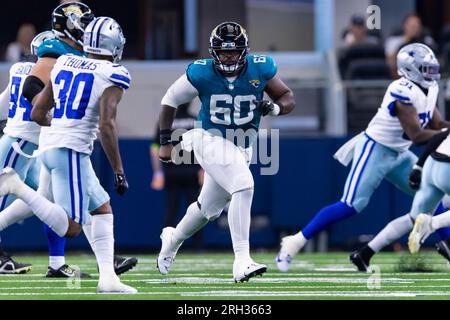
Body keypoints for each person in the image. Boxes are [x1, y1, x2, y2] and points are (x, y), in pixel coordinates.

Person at [276, 43, 450, 272]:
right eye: (425, 69)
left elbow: (437, 124)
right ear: (411, 69)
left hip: (398, 153)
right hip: (375, 150)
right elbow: (417, 135)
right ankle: (294, 242)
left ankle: (444, 247)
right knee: (351, 205)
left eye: (432, 69)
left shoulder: (431, 88)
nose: (432, 74)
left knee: (431, 198)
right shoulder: (402, 89)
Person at [0, 16, 137, 294]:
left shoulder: (63, 63)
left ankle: (108, 277)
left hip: (50, 144)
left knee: (101, 209)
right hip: (69, 149)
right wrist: (119, 170)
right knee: (72, 227)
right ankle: (17, 187)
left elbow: (38, 111)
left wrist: (60, 127)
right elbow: (107, 124)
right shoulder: (113, 72)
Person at [156, 21, 295, 282]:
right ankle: (242, 260)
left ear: (244, 50)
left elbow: (287, 97)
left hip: (242, 145)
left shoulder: (260, 67)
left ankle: (172, 239)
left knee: (207, 210)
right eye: (223, 51)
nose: (228, 56)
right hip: (209, 137)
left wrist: (274, 108)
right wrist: (165, 141)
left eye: (233, 51)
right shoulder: (201, 72)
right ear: (213, 51)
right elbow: (170, 100)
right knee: (244, 185)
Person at [150, 103, 204, 248]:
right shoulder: (196, 120)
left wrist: (158, 172)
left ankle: (167, 245)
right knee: (196, 210)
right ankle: (197, 246)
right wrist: (203, 170)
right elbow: (204, 148)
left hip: (172, 172)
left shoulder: (165, 122)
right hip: (192, 171)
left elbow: (155, 148)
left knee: (171, 210)